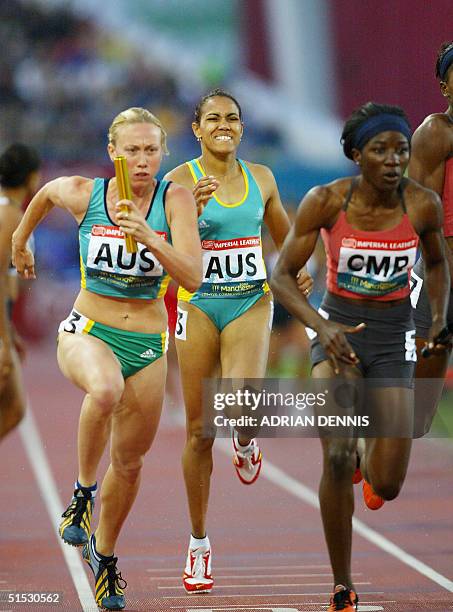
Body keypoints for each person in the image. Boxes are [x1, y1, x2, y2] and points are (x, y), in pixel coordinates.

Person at [12, 107, 202, 611]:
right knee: (105, 389)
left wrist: (149, 237)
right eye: (132, 150)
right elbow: (47, 194)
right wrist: (19, 238)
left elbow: (193, 277)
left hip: (148, 345)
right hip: (87, 330)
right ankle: (81, 493)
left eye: (151, 150)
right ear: (112, 153)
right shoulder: (87, 193)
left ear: (162, 154)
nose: (142, 161)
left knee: (131, 461)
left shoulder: (174, 200)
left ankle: (105, 557)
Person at [270, 102, 450, 611]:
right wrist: (322, 326)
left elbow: (437, 265)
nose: (394, 161)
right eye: (380, 150)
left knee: (387, 484)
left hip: (394, 340)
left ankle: (366, 455)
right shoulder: (325, 201)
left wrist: (437, 317)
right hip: (338, 336)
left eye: (401, 150)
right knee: (334, 454)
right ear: (356, 154)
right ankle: (342, 583)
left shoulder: (422, 205)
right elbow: (281, 276)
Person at [165, 89, 312, 593]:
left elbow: (288, 240)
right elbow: (157, 244)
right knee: (201, 430)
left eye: (232, 117)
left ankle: (246, 443)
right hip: (197, 303)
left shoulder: (262, 179)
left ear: (242, 128)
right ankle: (199, 544)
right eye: (213, 118)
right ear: (197, 129)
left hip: (250, 299)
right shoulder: (176, 182)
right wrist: (184, 214)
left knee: (241, 412)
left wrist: (297, 272)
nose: (223, 124)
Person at [409, 41, 453, 435]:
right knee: (416, 418)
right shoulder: (436, 132)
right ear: (445, 86)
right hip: (440, 282)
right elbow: (421, 219)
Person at [0, 143, 41, 440]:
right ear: (32, 178)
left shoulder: (12, 213)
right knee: (12, 408)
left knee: (13, 410)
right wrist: (4, 338)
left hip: (3, 318)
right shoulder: (10, 218)